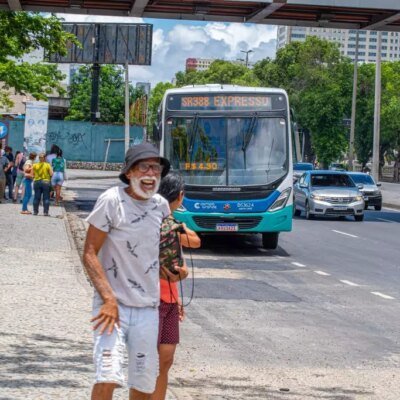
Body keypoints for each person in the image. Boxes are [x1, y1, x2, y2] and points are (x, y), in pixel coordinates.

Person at [83, 143, 175, 400]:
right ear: (130, 173)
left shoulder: (161, 206)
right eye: (144, 166)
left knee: (144, 384)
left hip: (148, 308)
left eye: (156, 167)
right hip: (112, 307)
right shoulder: (111, 201)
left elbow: (163, 252)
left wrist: (176, 270)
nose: (151, 173)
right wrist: (108, 298)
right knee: (107, 376)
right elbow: (89, 251)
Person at [151, 172, 200, 400]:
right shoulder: (157, 222)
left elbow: (194, 242)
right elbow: (196, 241)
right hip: (151, 300)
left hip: (170, 299)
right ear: (180, 196)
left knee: (166, 360)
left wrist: (177, 298)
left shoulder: (170, 223)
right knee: (152, 362)